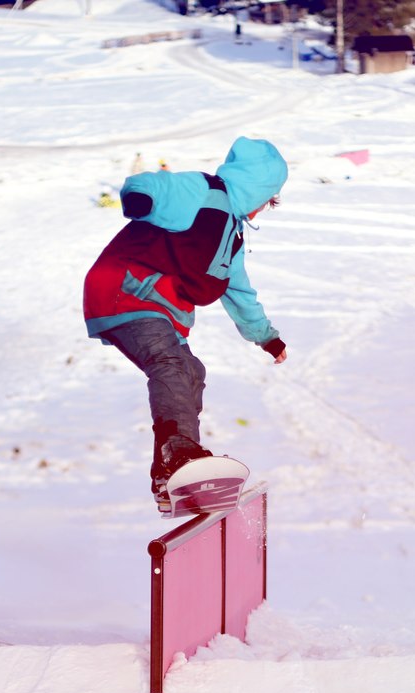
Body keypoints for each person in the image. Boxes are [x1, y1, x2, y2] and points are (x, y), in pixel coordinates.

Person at [83, 136, 288, 511]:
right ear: (256, 188)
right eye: (267, 199)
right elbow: (151, 185)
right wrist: (141, 199)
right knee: (172, 365)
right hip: (125, 288)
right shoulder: (204, 193)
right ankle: (181, 455)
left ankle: (169, 474)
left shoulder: (232, 239)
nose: (263, 209)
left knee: (192, 371)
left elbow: (240, 292)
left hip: (152, 306)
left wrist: (266, 337)